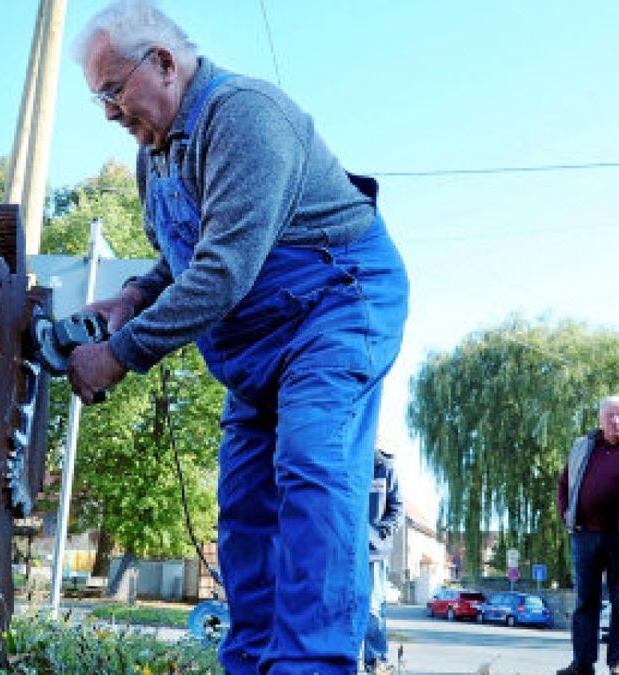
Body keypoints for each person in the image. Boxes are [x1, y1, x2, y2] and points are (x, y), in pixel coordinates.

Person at [68, 2, 409, 673]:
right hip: (254, 343)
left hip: (337, 306)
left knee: (313, 465)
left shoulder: (246, 116)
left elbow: (224, 269)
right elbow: (184, 259)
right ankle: (252, 660)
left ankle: (316, 662)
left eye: (113, 90)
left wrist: (121, 353)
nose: (108, 111)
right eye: (98, 98)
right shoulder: (154, 159)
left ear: (163, 62)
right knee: (245, 503)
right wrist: (132, 296)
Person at [556, 395, 619, 675]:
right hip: (585, 535)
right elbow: (564, 484)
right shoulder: (582, 446)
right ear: (600, 419)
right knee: (586, 601)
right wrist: (566, 515)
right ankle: (583, 663)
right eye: (610, 415)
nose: (615, 420)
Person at [364, 448, 404, 675]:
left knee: (372, 609)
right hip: (344, 550)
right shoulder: (343, 461)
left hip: (373, 553)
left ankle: (376, 663)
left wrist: (380, 533)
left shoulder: (384, 470)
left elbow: (397, 510)